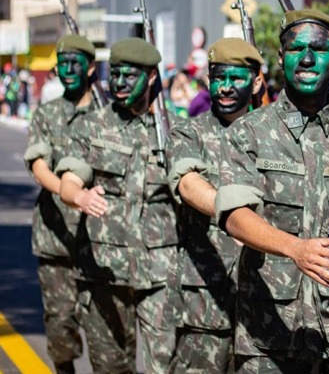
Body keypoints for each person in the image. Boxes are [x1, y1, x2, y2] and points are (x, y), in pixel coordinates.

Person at [216, 9, 329, 373]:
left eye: (319, 49)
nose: (308, 58)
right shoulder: (249, 131)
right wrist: (294, 248)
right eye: (297, 49)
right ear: (281, 58)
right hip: (267, 334)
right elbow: (236, 217)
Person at [57, 37, 177, 373]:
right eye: (116, 74)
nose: (119, 83)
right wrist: (79, 195)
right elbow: (70, 176)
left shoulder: (174, 131)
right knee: (110, 365)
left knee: (163, 365)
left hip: (161, 273)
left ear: (152, 76)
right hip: (104, 270)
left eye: (130, 75)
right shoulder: (92, 124)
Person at [168, 38, 265, 373]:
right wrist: (231, 214)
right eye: (217, 78)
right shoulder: (188, 132)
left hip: (267, 301)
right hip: (205, 300)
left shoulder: (272, 134)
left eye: (234, 78)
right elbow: (188, 183)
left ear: (256, 82)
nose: (224, 88)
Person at [24, 35, 98, 374]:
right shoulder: (46, 115)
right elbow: (39, 166)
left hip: (102, 241)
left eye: (74, 63)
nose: (67, 71)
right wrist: (70, 193)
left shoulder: (107, 114)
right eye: (61, 65)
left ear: (91, 67)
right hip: (57, 239)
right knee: (60, 327)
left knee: (106, 333)